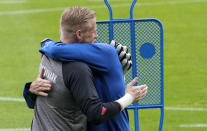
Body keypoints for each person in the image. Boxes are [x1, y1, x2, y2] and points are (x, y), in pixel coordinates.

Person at [23, 7, 148, 131]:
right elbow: (94, 112)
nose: (96, 35)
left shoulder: (47, 56)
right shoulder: (75, 63)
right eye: (94, 31)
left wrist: (46, 43)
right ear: (78, 34)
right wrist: (31, 89)